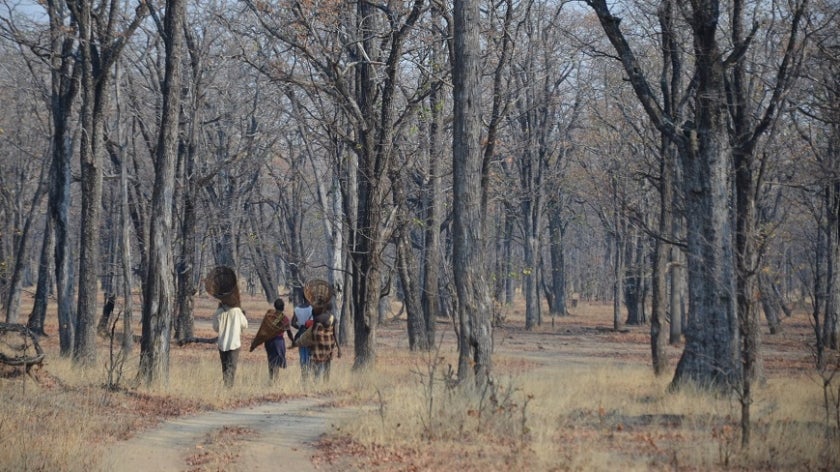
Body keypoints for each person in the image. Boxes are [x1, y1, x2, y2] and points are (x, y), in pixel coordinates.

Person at [212, 302, 248, 388]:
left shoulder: (218, 312)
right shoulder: (237, 311)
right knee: (232, 367)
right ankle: (229, 387)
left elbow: (216, 328)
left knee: (224, 367)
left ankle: (226, 385)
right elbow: (245, 325)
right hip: (234, 343)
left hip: (222, 343)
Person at [264, 298, 294, 382]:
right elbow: (289, 333)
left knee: (270, 360)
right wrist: (293, 341)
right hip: (278, 341)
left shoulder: (269, 317)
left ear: (274, 307)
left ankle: (270, 379)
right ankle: (275, 380)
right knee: (277, 361)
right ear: (283, 307)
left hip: (269, 341)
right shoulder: (285, 319)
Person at [310, 311, 340, 382]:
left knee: (318, 364)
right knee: (327, 364)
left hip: (318, 346)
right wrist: (339, 349)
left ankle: (316, 381)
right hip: (328, 345)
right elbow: (335, 334)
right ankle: (326, 382)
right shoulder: (333, 318)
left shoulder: (317, 318)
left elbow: (313, 332)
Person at [292, 297, 314, 381]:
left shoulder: (297, 309)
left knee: (302, 355)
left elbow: (293, 323)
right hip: (309, 335)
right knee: (309, 355)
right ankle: (308, 375)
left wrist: (300, 327)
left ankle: (303, 375)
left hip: (301, 334)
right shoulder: (311, 309)